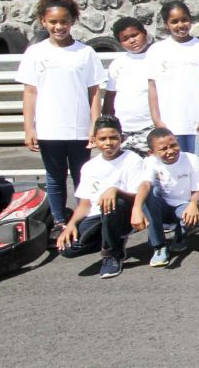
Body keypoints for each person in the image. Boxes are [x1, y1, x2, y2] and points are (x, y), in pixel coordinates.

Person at [17, 0, 105, 230]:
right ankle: (58, 220)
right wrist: (29, 128)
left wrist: (94, 125)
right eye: (53, 22)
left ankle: (83, 219)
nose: (59, 27)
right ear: (43, 22)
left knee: (81, 176)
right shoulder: (36, 53)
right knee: (55, 177)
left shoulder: (85, 53)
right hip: (49, 127)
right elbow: (30, 92)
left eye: (64, 21)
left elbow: (95, 92)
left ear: (72, 21)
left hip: (78, 128)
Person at [56, 116, 145, 279]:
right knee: (67, 249)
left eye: (113, 137)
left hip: (123, 212)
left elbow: (137, 195)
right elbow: (85, 204)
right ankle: (113, 238)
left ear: (122, 138)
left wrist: (115, 190)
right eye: (102, 138)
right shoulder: (89, 167)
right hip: (98, 216)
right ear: (94, 140)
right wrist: (71, 224)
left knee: (111, 202)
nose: (108, 142)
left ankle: (112, 255)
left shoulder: (132, 160)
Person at [146, 1, 199, 156]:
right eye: (174, 21)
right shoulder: (156, 50)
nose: (180, 25)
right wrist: (157, 120)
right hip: (169, 123)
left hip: (198, 123)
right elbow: (152, 88)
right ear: (166, 25)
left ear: (191, 20)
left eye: (184, 19)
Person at [132, 128, 199, 268]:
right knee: (149, 193)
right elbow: (145, 184)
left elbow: (196, 188)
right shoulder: (150, 162)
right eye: (163, 149)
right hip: (162, 206)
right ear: (151, 152)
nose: (170, 151)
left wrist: (193, 204)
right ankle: (159, 246)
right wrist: (136, 208)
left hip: (184, 205)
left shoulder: (191, 158)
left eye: (173, 145)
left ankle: (181, 233)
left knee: (194, 217)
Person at [103, 17, 156, 153]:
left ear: (144, 32)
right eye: (125, 39)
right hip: (123, 129)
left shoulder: (156, 58)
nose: (132, 40)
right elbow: (110, 96)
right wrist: (108, 124)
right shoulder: (118, 64)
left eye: (134, 35)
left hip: (150, 126)